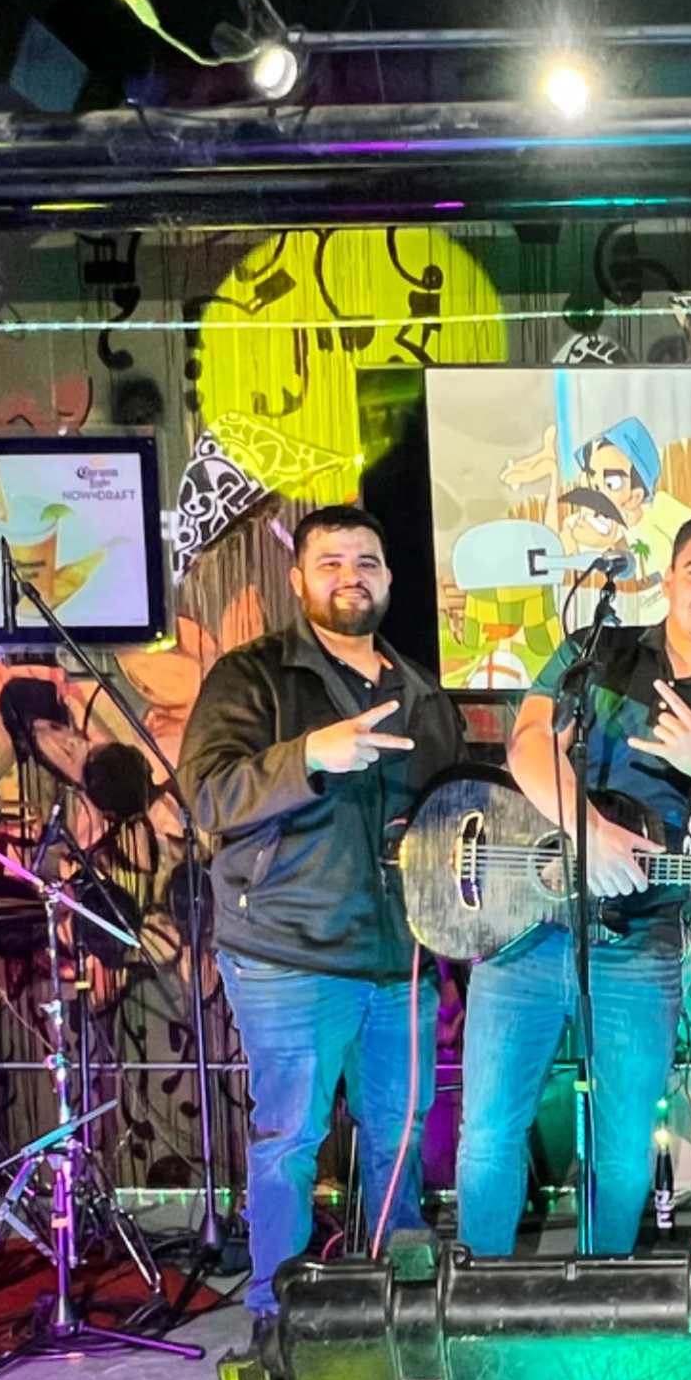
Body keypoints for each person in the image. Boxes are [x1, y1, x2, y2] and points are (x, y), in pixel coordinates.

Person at [455, 509, 691, 1257]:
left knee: (625, 1148)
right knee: (490, 1133)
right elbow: (528, 743)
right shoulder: (598, 651)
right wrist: (590, 831)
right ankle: (479, 1299)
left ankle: (605, 1295)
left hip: (640, 948)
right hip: (524, 928)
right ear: (668, 579)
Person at [179, 503, 465, 1337]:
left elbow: (446, 814)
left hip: (398, 957)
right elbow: (207, 795)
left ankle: (393, 1303)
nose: (351, 577)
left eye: (366, 562)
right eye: (331, 562)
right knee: (290, 1140)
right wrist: (309, 755)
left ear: (388, 577)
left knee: (398, 1136)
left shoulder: (420, 693)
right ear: (298, 578)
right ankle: (279, 1315)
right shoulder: (253, 677)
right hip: (288, 952)